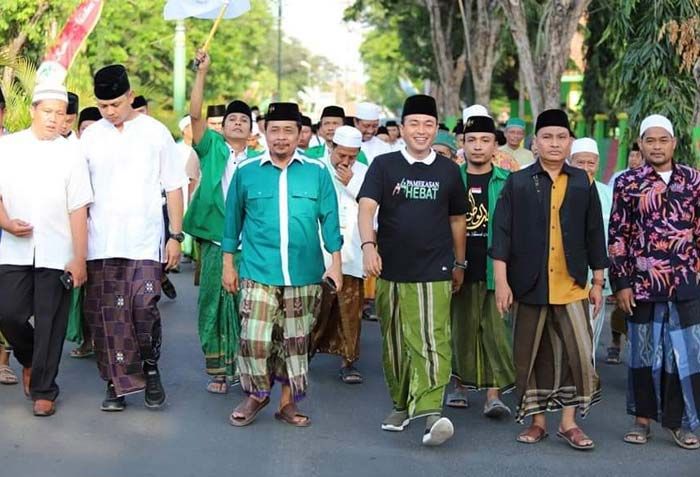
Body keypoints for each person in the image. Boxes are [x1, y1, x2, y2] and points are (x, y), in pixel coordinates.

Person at [491, 109, 607, 450]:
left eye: (561, 137)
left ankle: (568, 424)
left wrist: (598, 281)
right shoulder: (519, 181)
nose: (554, 144)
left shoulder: (582, 182)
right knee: (532, 354)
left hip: (572, 284)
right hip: (529, 283)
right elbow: (502, 234)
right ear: (536, 142)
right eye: (547, 137)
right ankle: (538, 422)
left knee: (578, 353)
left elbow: (594, 233)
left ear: (569, 141)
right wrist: (502, 282)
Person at [223, 102, 342, 428]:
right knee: (254, 337)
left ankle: (288, 404)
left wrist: (336, 264)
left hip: (304, 273)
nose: (281, 137)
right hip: (257, 270)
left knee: (296, 340)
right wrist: (228, 264)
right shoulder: (246, 171)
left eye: (288, 130)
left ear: (300, 133)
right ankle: (256, 396)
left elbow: (330, 219)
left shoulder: (316, 172)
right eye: (274, 130)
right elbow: (232, 221)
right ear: (264, 132)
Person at [358, 94, 467, 446]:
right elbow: (366, 208)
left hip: (435, 267)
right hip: (391, 268)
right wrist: (368, 246)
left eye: (429, 124)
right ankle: (401, 404)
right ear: (402, 128)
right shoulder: (384, 166)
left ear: (437, 128)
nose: (421, 131)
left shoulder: (449, 170)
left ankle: (432, 411)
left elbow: (457, 219)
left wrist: (460, 262)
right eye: (414, 124)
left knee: (433, 338)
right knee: (395, 342)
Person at [81, 64, 186, 411]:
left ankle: (150, 369)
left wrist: (175, 235)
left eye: (115, 104)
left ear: (129, 96)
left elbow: (174, 186)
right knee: (107, 318)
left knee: (143, 309)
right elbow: (79, 193)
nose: (109, 112)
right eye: (102, 106)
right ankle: (115, 385)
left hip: (144, 240)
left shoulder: (156, 133)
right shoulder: (91, 136)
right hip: (100, 242)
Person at [0, 78, 92, 416]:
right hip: (13, 247)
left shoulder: (72, 153)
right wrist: (6, 222)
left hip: (57, 250)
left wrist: (79, 258)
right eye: (48, 112)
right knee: (7, 312)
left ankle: (43, 388)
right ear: (33, 110)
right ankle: (28, 358)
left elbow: (78, 208)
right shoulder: (8, 147)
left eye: (61, 113)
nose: (54, 119)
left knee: (52, 322)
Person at [609, 115, 700, 450]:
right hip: (642, 284)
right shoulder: (628, 183)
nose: (657, 146)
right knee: (643, 353)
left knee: (685, 354)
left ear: (674, 143)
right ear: (641, 144)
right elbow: (618, 234)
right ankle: (642, 420)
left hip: (685, 283)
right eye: (650, 140)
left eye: (664, 140)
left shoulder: (693, 180)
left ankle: (679, 423)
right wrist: (621, 283)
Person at [184, 50, 262, 393]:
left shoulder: (260, 162)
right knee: (213, 304)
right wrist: (201, 74)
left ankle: (243, 368)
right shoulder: (211, 147)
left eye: (243, 121)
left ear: (251, 131)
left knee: (246, 307)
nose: (237, 123)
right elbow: (196, 113)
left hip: (249, 247)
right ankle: (218, 370)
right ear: (224, 125)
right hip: (215, 241)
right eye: (232, 119)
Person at [446, 114, 515, 418]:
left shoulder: (509, 182)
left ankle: (493, 394)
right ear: (462, 144)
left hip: (496, 269)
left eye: (485, 140)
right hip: (457, 266)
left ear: (495, 146)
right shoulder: (451, 179)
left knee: (496, 331)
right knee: (460, 328)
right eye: (471, 140)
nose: (477, 147)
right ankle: (459, 386)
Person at [310, 126, 367, 384]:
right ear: (331, 147)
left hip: (353, 252)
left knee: (350, 310)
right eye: (341, 155)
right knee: (316, 308)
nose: (345, 162)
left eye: (352, 157)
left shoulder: (365, 174)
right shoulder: (315, 169)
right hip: (319, 252)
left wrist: (352, 182)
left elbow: (373, 209)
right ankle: (302, 354)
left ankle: (349, 361)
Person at [570, 137, 613, 364]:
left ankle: (587, 377)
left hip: (598, 278)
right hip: (565, 278)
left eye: (591, 163)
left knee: (592, 330)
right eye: (580, 162)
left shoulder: (607, 194)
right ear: (570, 162)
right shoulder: (560, 190)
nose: (586, 168)